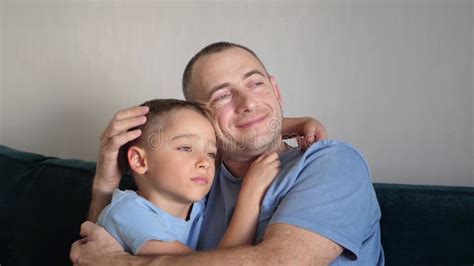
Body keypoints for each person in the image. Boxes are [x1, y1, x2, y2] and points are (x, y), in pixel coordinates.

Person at [71, 42, 384, 265]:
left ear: (276, 91)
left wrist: (118, 264)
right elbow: (99, 243)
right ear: (203, 120)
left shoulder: (331, 163)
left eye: (256, 84)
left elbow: (279, 263)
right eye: (221, 96)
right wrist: (104, 184)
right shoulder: (197, 180)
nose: (247, 102)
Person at [96, 98, 281, 256]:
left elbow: (241, 132)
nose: (205, 162)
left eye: (210, 153)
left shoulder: (199, 206)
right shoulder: (127, 213)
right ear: (140, 161)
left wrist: (300, 124)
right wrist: (251, 195)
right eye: (185, 148)